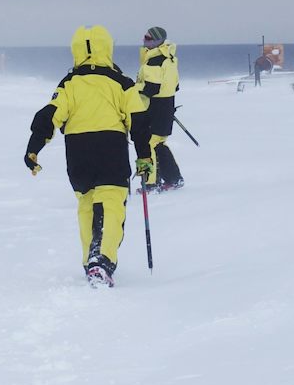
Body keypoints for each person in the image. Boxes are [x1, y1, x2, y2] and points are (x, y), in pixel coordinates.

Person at [24, 25, 152, 286]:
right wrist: (144, 156)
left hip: (78, 151)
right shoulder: (121, 83)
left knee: (87, 203)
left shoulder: (69, 84)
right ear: (108, 48)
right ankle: (101, 260)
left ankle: (90, 260)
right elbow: (139, 121)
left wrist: (33, 148)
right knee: (112, 201)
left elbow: (48, 115)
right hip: (110, 147)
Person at [136, 26, 184, 190]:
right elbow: (175, 85)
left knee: (147, 144)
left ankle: (149, 182)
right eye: (144, 37)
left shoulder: (154, 61)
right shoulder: (169, 59)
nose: (144, 40)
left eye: (148, 38)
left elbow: (151, 88)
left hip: (153, 109)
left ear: (157, 41)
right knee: (158, 144)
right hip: (165, 107)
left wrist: (132, 89)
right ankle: (173, 178)